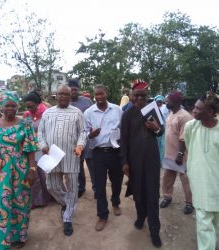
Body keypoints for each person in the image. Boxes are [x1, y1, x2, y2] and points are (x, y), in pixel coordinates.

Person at [0, 92, 38, 249]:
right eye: (8, 105)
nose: (11, 108)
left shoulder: (25, 125)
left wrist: (32, 169)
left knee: (21, 202)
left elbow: (31, 148)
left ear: (17, 106)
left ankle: (20, 236)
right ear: (2, 106)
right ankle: (3, 241)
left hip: (21, 169)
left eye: (14, 105)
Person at [184, 84, 219, 250]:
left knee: (216, 217)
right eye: (194, 107)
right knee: (204, 218)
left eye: (198, 109)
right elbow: (190, 146)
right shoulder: (191, 127)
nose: (194, 111)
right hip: (198, 178)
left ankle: (210, 242)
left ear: (211, 112)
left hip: (218, 179)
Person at [38, 85, 87, 236]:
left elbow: (83, 132)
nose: (63, 97)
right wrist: (43, 145)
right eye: (61, 94)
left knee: (73, 186)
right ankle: (67, 203)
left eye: (66, 94)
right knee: (51, 186)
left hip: (72, 156)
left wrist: (80, 145)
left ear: (70, 96)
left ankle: (67, 218)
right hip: (52, 156)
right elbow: (40, 131)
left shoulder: (77, 112)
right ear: (56, 95)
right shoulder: (48, 112)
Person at [121, 82, 163, 248]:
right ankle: (140, 217)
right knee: (138, 192)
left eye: (142, 95)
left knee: (152, 195)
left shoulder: (153, 110)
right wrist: (124, 161)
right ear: (131, 95)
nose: (139, 98)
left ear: (147, 96)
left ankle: (154, 231)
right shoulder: (127, 114)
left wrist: (157, 128)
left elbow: (162, 130)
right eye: (136, 95)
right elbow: (123, 139)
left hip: (152, 160)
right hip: (134, 161)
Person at [84, 85, 124, 231]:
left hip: (115, 152)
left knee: (117, 181)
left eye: (101, 94)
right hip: (98, 153)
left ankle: (115, 202)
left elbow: (124, 129)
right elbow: (84, 133)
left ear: (106, 93)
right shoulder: (88, 112)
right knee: (99, 186)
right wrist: (90, 135)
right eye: (96, 95)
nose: (99, 97)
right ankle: (102, 215)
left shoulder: (117, 110)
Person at [160, 91, 194, 214]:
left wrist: (180, 154)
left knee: (185, 179)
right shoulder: (170, 114)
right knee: (167, 177)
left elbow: (183, 137)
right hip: (169, 153)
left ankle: (189, 203)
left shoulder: (184, 116)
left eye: (169, 100)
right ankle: (167, 197)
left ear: (177, 101)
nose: (166, 102)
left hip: (181, 155)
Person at [23, 91, 52, 208]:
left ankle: (50, 196)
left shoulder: (46, 113)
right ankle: (36, 200)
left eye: (31, 106)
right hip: (31, 147)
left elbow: (50, 130)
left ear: (38, 104)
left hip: (43, 146)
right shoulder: (26, 115)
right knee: (32, 173)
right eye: (27, 106)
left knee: (45, 174)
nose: (29, 109)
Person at [68, 79, 94, 198]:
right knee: (78, 165)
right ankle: (81, 187)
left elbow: (94, 115)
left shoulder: (87, 101)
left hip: (87, 138)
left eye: (75, 89)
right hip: (73, 139)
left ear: (78, 90)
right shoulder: (65, 102)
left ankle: (96, 188)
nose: (73, 92)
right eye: (71, 89)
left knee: (91, 163)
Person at [154, 95, 169, 163]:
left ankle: (161, 161)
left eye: (160, 101)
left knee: (163, 144)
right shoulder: (153, 108)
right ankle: (156, 160)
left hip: (164, 127)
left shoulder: (165, 107)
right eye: (157, 102)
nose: (159, 103)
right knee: (156, 144)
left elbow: (168, 116)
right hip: (155, 127)